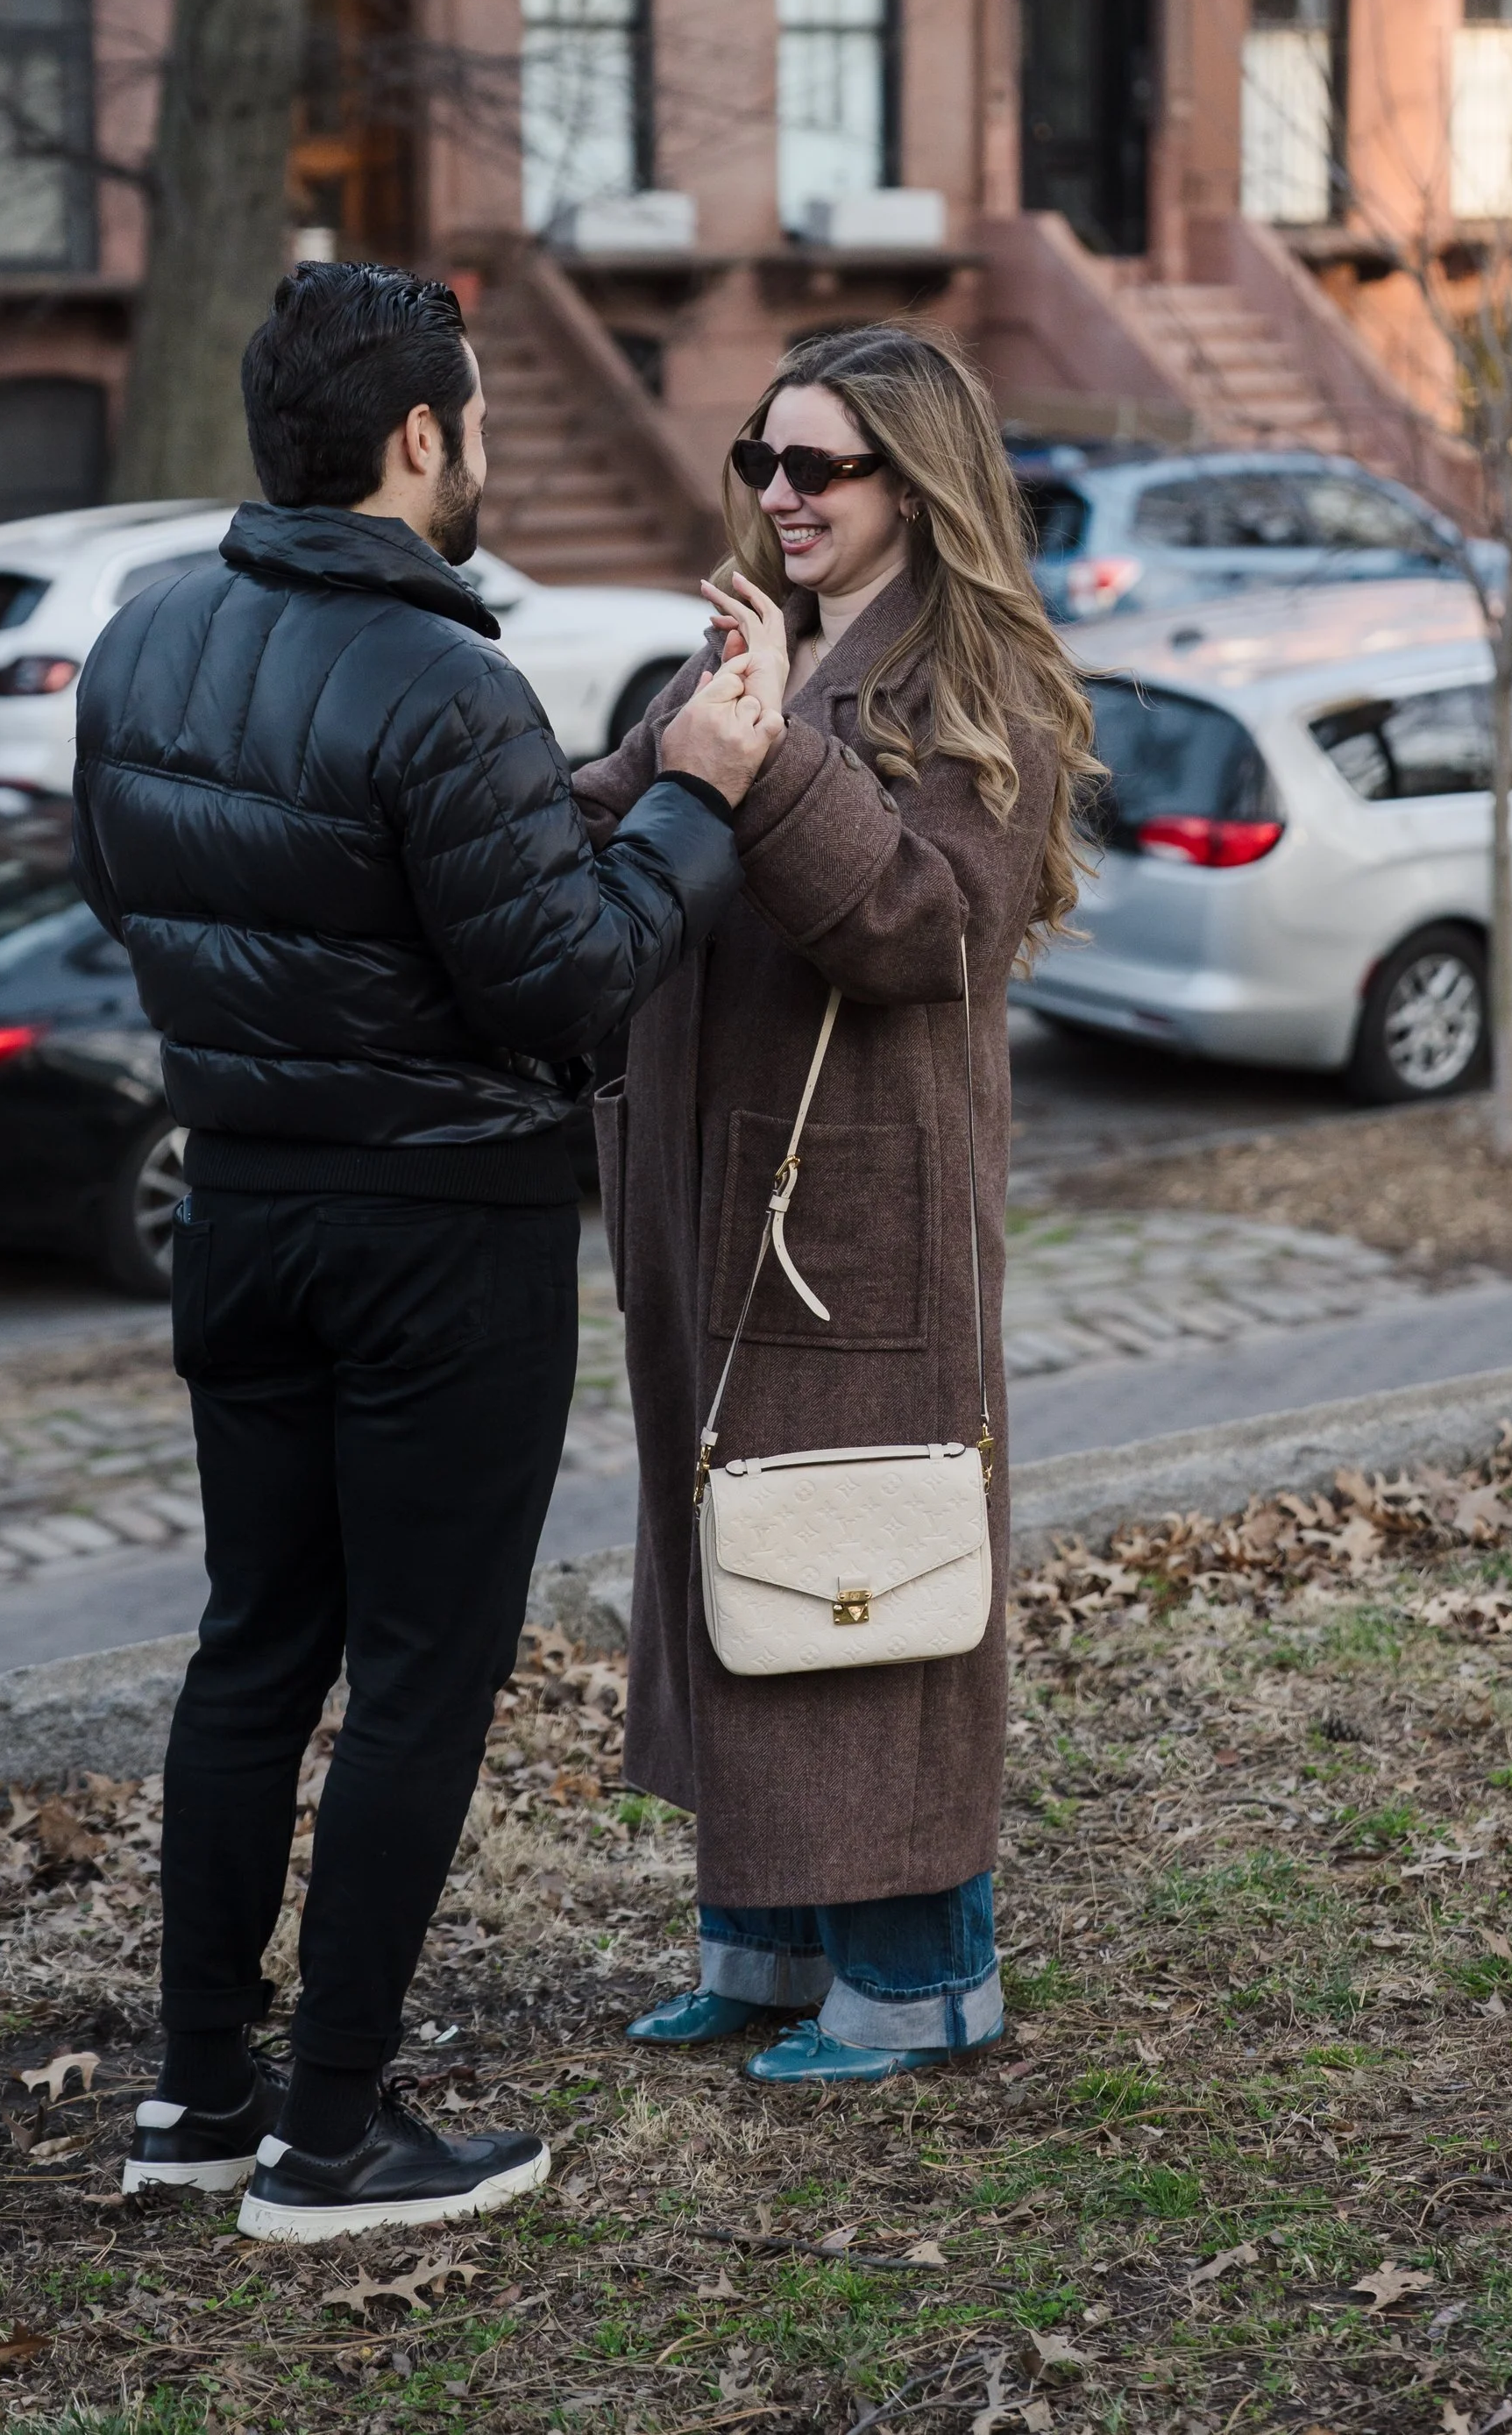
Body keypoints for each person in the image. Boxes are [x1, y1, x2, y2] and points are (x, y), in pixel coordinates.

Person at [73, 262, 771, 2237]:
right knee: (417, 1680)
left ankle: (198, 2098)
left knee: (249, 1654)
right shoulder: (445, 675)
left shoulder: (142, 639)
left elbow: (136, 884)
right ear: (416, 439)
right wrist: (695, 804)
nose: (479, 457)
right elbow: (566, 983)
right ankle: (333, 2138)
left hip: (239, 1212)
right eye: (469, 425)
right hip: (437, 1243)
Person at [570, 320, 1098, 2082]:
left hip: (855, 1207)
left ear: (913, 482)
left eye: (818, 468)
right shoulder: (749, 649)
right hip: (706, 1196)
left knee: (864, 1559)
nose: (778, 495)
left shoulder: (979, 685)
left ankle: (927, 1980)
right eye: (762, 461)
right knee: (734, 1545)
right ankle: (770, 1946)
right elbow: (619, 802)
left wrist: (760, 762)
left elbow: (923, 930)